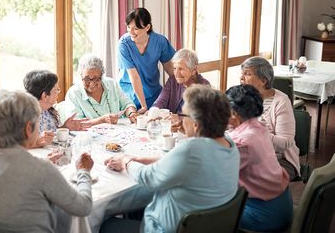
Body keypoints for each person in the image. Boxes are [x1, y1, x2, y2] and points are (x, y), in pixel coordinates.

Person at [102, 85, 240, 233]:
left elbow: (147, 177)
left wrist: (126, 161)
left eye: (183, 115)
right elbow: (182, 163)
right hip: (211, 226)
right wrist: (138, 158)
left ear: (196, 124)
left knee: (102, 223)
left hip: (163, 229)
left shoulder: (192, 149)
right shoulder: (229, 145)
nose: (180, 120)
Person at [0, 90, 94, 232]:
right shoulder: (41, 170)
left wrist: (40, 164)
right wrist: (84, 171)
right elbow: (83, 207)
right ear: (29, 128)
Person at [226, 84, 293, 232]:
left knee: (201, 207)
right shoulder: (259, 127)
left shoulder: (242, 142)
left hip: (262, 216)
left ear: (233, 112)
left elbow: (216, 174)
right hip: (282, 205)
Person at [0, 70, 90, 149]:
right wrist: (36, 143)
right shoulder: (19, 113)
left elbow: (50, 137)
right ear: (45, 95)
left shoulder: (49, 112)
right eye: (56, 90)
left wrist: (64, 127)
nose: (59, 92)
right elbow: (0, 148)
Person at [240, 56, 300, 180]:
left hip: (281, 159)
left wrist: (257, 134)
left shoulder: (281, 101)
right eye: (242, 74)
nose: (241, 78)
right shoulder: (242, 97)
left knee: (245, 178)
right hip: (250, 155)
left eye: (247, 74)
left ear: (263, 80)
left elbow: (285, 143)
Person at [117, 7, 176, 112]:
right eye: (128, 27)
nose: (131, 32)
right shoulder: (124, 44)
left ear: (147, 27)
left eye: (135, 28)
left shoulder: (160, 41)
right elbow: (134, 77)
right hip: (129, 94)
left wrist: (184, 87)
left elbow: (170, 69)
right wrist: (143, 106)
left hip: (154, 93)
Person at [66, 54, 138, 125]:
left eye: (96, 79)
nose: (91, 84)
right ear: (81, 76)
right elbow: (75, 124)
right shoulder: (74, 93)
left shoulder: (111, 84)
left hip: (116, 133)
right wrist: (102, 120)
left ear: (101, 76)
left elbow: (127, 104)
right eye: (86, 79)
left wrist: (132, 113)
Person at [152, 48, 210, 132]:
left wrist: (179, 118)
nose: (176, 73)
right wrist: (154, 111)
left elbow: (203, 117)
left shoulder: (204, 87)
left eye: (181, 69)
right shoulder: (172, 81)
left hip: (192, 132)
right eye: (175, 68)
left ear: (194, 70)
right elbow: (161, 101)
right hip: (172, 130)